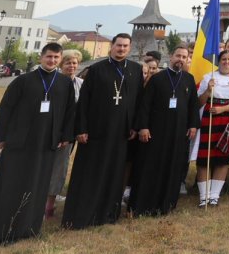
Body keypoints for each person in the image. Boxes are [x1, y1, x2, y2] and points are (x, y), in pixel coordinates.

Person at [0, 43, 76, 244]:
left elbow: (70, 111)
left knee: (38, 185)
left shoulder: (65, 83)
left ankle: (29, 228)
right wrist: (1, 136)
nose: (52, 61)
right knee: (13, 185)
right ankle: (5, 230)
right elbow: (5, 108)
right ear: (41, 57)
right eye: (49, 57)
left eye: (56, 58)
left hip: (46, 144)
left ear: (60, 59)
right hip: (20, 142)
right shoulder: (23, 81)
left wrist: (66, 135)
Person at [62, 33, 142, 230]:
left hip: (121, 133)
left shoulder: (135, 69)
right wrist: (81, 128)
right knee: (92, 171)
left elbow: (139, 100)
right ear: (112, 46)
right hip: (96, 131)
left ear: (129, 48)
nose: (121, 49)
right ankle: (84, 213)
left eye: (125, 46)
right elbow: (84, 102)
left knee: (114, 172)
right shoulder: (96, 69)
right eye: (118, 45)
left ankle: (108, 213)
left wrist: (135, 125)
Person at [129, 45, 200, 216]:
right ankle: (144, 205)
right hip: (156, 132)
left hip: (179, 133)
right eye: (178, 56)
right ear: (171, 56)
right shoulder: (157, 78)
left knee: (173, 167)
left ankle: (166, 204)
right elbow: (145, 105)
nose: (181, 59)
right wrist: (143, 127)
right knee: (150, 166)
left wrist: (193, 125)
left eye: (184, 57)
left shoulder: (189, 79)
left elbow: (193, 105)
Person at [194, 51, 229, 207]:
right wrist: (208, 91)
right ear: (218, 61)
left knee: (223, 157)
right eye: (224, 59)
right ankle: (204, 196)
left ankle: (214, 196)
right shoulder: (208, 77)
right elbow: (198, 102)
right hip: (209, 118)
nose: (226, 62)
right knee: (204, 158)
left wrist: (223, 109)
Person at [45, 48, 84, 218]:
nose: (71, 66)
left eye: (74, 63)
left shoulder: (81, 83)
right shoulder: (53, 81)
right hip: (50, 130)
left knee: (60, 167)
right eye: (68, 63)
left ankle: (50, 204)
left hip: (69, 134)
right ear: (61, 64)